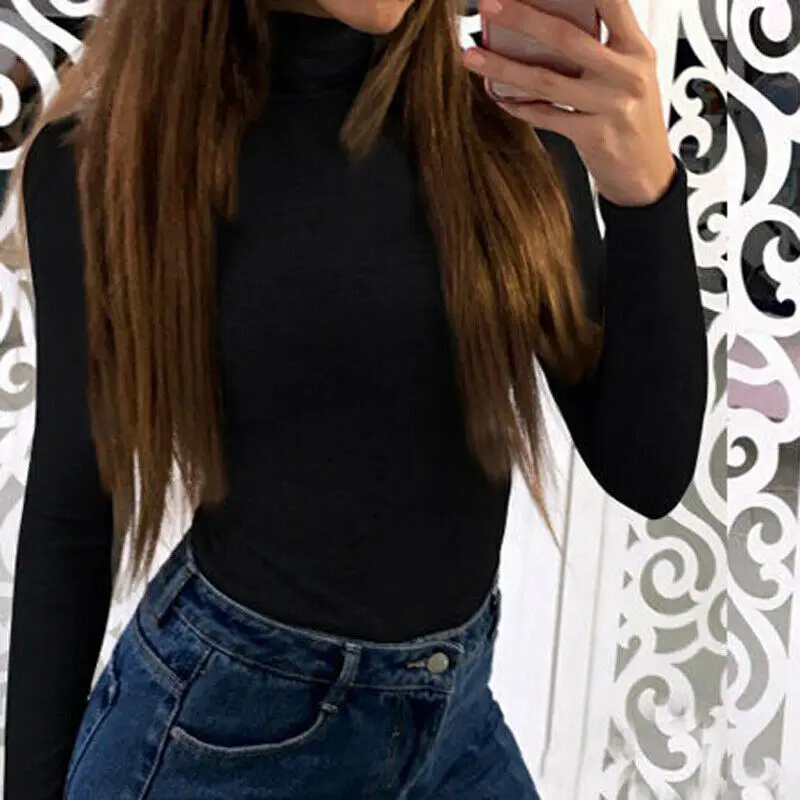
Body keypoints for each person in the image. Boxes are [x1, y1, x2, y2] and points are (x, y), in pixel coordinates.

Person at [3, 0, 707, 797]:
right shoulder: (109, 166)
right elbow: (72, 515)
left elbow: (648, 470)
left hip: (454, 728)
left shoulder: (503, 128)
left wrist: (643, 191)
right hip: (220, 736)